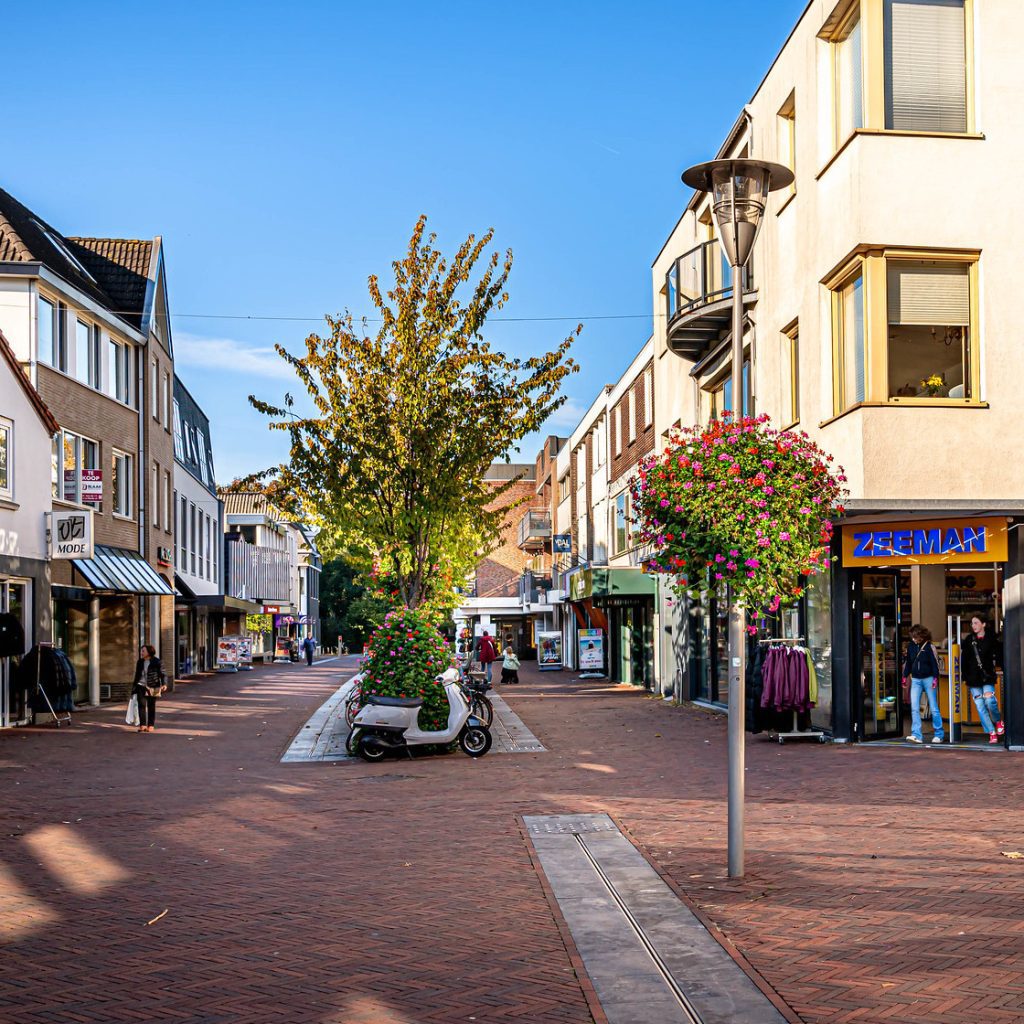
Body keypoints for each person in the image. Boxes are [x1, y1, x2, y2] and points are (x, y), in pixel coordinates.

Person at [962, 614, 1004, 744]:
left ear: (984, 624)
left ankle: (998, 721)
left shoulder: (991, 639)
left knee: (990, 700)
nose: (973, 625)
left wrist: (1003, 667)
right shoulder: (969, 639)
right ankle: (991, 732)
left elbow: (1000, 654)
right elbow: (964, 660)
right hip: (973, 677)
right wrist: (965, 676)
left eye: (976, 622)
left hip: (987, 676)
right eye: (972, 623)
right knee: (980, 705)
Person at [902, 625, 944, 744]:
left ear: (922, 635)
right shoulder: (910, 646)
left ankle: (939, 734)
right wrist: (905, 676)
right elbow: (909, 663)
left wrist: (935, 678)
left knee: (934, 708)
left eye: (915, 637)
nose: (914, 639)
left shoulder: (929, 646)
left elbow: (934, 664)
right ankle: (916, 735)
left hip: (929, 678)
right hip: (915, 679)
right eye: (912, 637)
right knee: (914, 707)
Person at [131, 644, 165, 733]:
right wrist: (134, 686)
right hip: (141, 685)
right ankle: (142, 725)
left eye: (143, 651)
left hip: (153, 686)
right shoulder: (140, 662)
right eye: (141, 651)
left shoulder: (157, 661)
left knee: (151, 706)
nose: (141, 653)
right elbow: (137, 675)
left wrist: (164, 684)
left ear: (149, 652)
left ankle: (150, 725)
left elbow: (162, 674)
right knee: (141, 705)